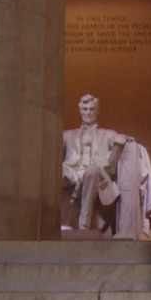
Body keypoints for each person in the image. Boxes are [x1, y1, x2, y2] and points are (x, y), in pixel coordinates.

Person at [61, 94, 132, 230]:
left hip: (97, 176)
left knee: (91, 170)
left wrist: (120, 139)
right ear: (80, 111)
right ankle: (50, 222)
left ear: (97, 111)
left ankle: (84, 224)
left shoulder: (108, 134)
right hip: (73, 173)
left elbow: (119, 143)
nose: (88, 112)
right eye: (85, 109)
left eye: (91, 109)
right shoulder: (67, 135)